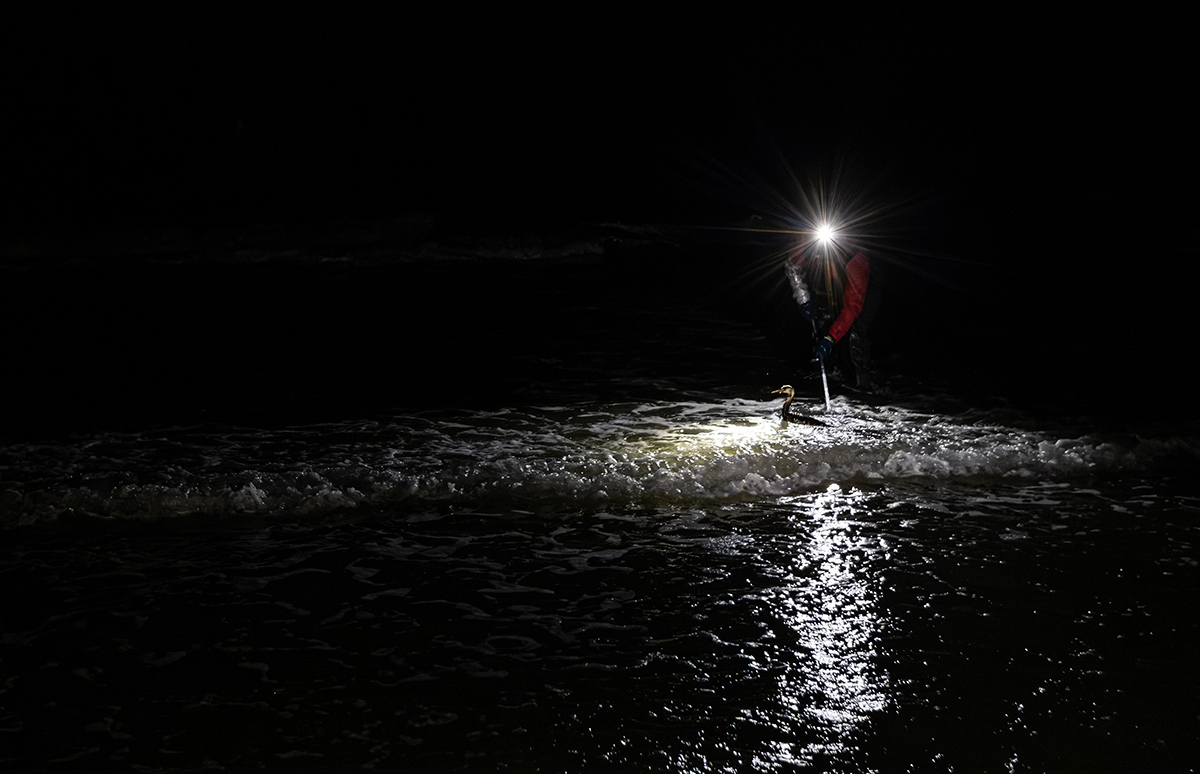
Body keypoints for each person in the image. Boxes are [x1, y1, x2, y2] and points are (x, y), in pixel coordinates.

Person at [784, 231, 880, 392]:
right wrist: (803, 299)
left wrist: (831, 338)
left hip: (864, 288)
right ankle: (831, 372)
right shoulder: (810, 244)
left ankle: (864, 383)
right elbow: (792, 266)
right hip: (832, 283)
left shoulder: (857, 261)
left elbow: (852, 308)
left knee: (858, 331)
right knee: (823, 318)